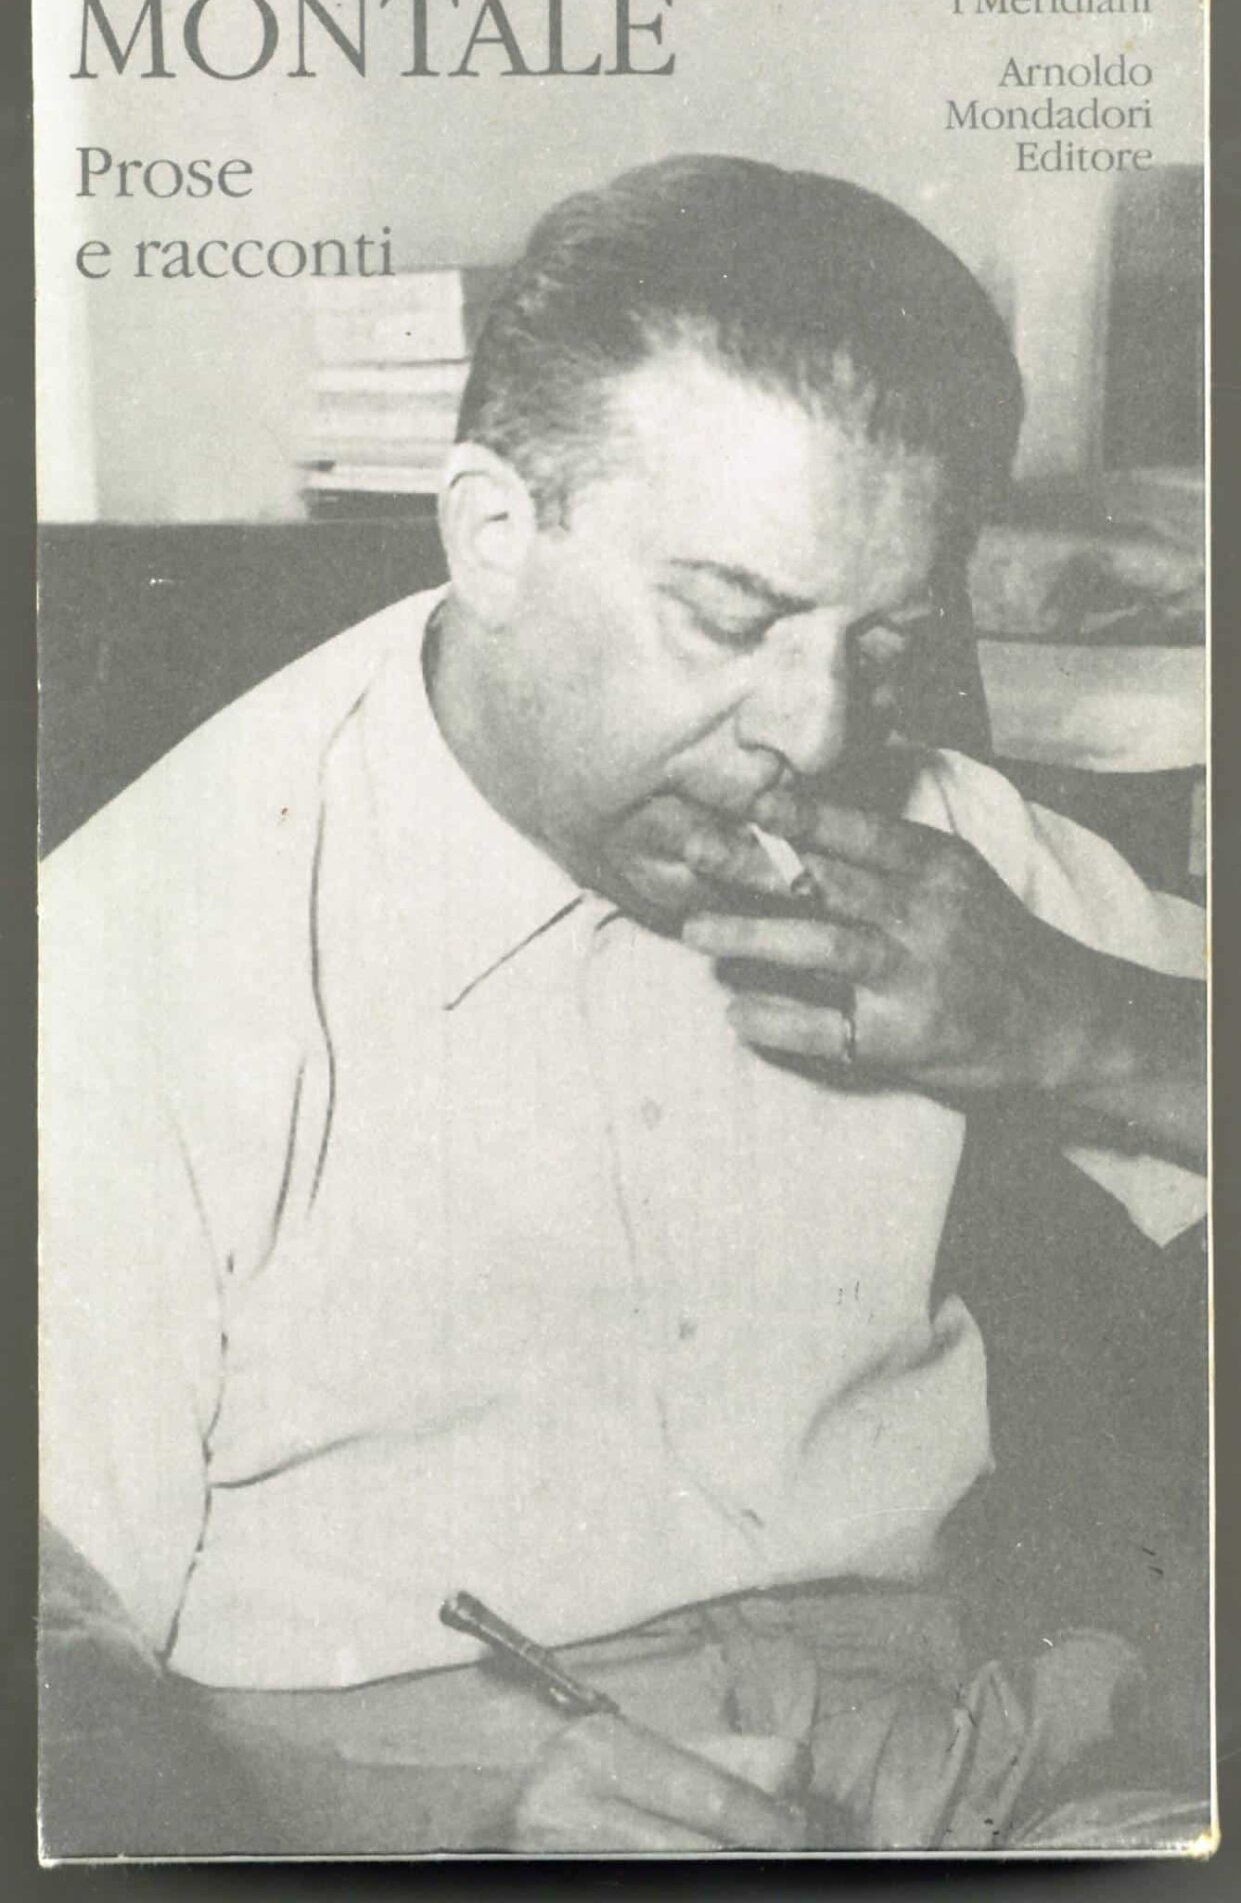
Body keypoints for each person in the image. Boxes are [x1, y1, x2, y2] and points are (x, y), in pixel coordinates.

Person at [39, 156, 1207, 1857]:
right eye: (729, 617)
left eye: (883, 641)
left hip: (971, 1765)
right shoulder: (134, 950)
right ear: (494, 536)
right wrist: (457, 1836)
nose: (813, 732)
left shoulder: (918, 826)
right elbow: (53, 1687)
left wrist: (1077, 1024)